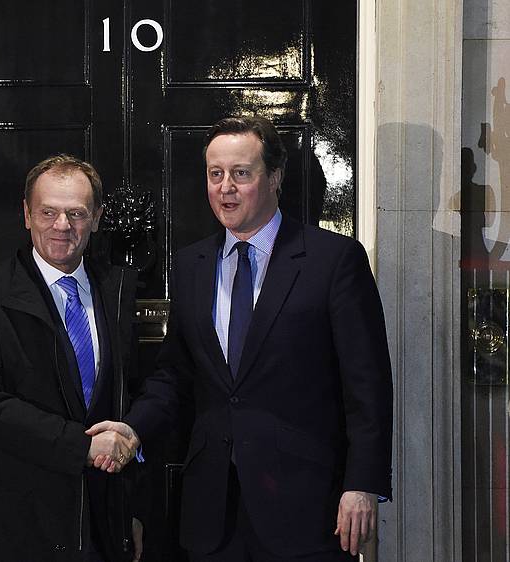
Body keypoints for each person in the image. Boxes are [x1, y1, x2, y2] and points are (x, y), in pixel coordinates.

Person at [89, 116, 393, 561]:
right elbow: (175, 376)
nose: (225, 187)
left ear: (274, 177)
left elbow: (367, 384)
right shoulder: (191, 264)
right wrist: (133, 428)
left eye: (241, 173)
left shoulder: (334, 260)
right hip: (213, 513)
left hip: (309, 509)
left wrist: (362, 484)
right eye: (216, 174)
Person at [0, 155, 143, 562]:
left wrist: (133, 503)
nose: (62, 226)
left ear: (97, 217)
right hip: (15, 526)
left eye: (76, 213)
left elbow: (138, 393)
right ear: (26, 214)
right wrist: (81, 447)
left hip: (102, 526)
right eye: (48, 212)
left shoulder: (119, 290)